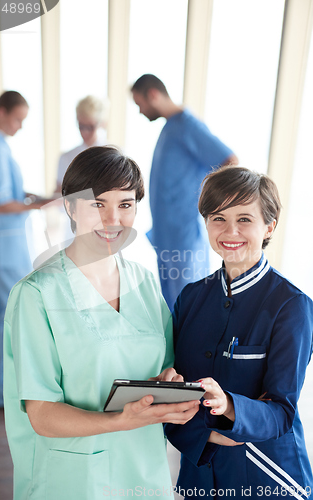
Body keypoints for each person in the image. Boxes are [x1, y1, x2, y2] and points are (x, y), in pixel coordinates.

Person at [3, 146, 200, 500]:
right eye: (98, 204)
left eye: (125, 205)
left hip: (143, 470)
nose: (113, 219)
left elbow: (165, 366)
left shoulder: (144, 282)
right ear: (70, 207)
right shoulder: (36, 295)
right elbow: (42, 414)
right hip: (73, 478)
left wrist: (169, 381)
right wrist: (117, 422)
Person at [165, 166, 313, 499]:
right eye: (218, 218)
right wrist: (210, 432)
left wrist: (229, 406)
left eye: (245, 219)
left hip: (269, 477)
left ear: (269, 226)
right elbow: (169, 394)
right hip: (200, 479)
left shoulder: (292, 306)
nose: (230, 231)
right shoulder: (190, 298)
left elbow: (281, 412)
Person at [131, 74, 238, 311]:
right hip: (166, 236)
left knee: (190, 307)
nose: (140, 111)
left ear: (153, 95)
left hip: (183, 235)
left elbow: (229, 161)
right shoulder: (170, 128)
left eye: (140, 104)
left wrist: (212, 207)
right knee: (172, 308)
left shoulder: (188, 125)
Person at [0, 91, 52, 408]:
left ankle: (1, 386)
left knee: (3, 313)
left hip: (7, 243)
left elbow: (9, 192)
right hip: (5, 243)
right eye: (18, 119)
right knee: (8, 315)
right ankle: (1, 389)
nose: (20, 126)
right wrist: (39, 204)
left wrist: (34, 196)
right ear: (2, 113)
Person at [55, 95, 108, 192]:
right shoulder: (66, 158)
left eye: (90, 127)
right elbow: (59, 193)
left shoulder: (115, 155)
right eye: (81, 126)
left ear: (101, 123)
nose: (85, 132)